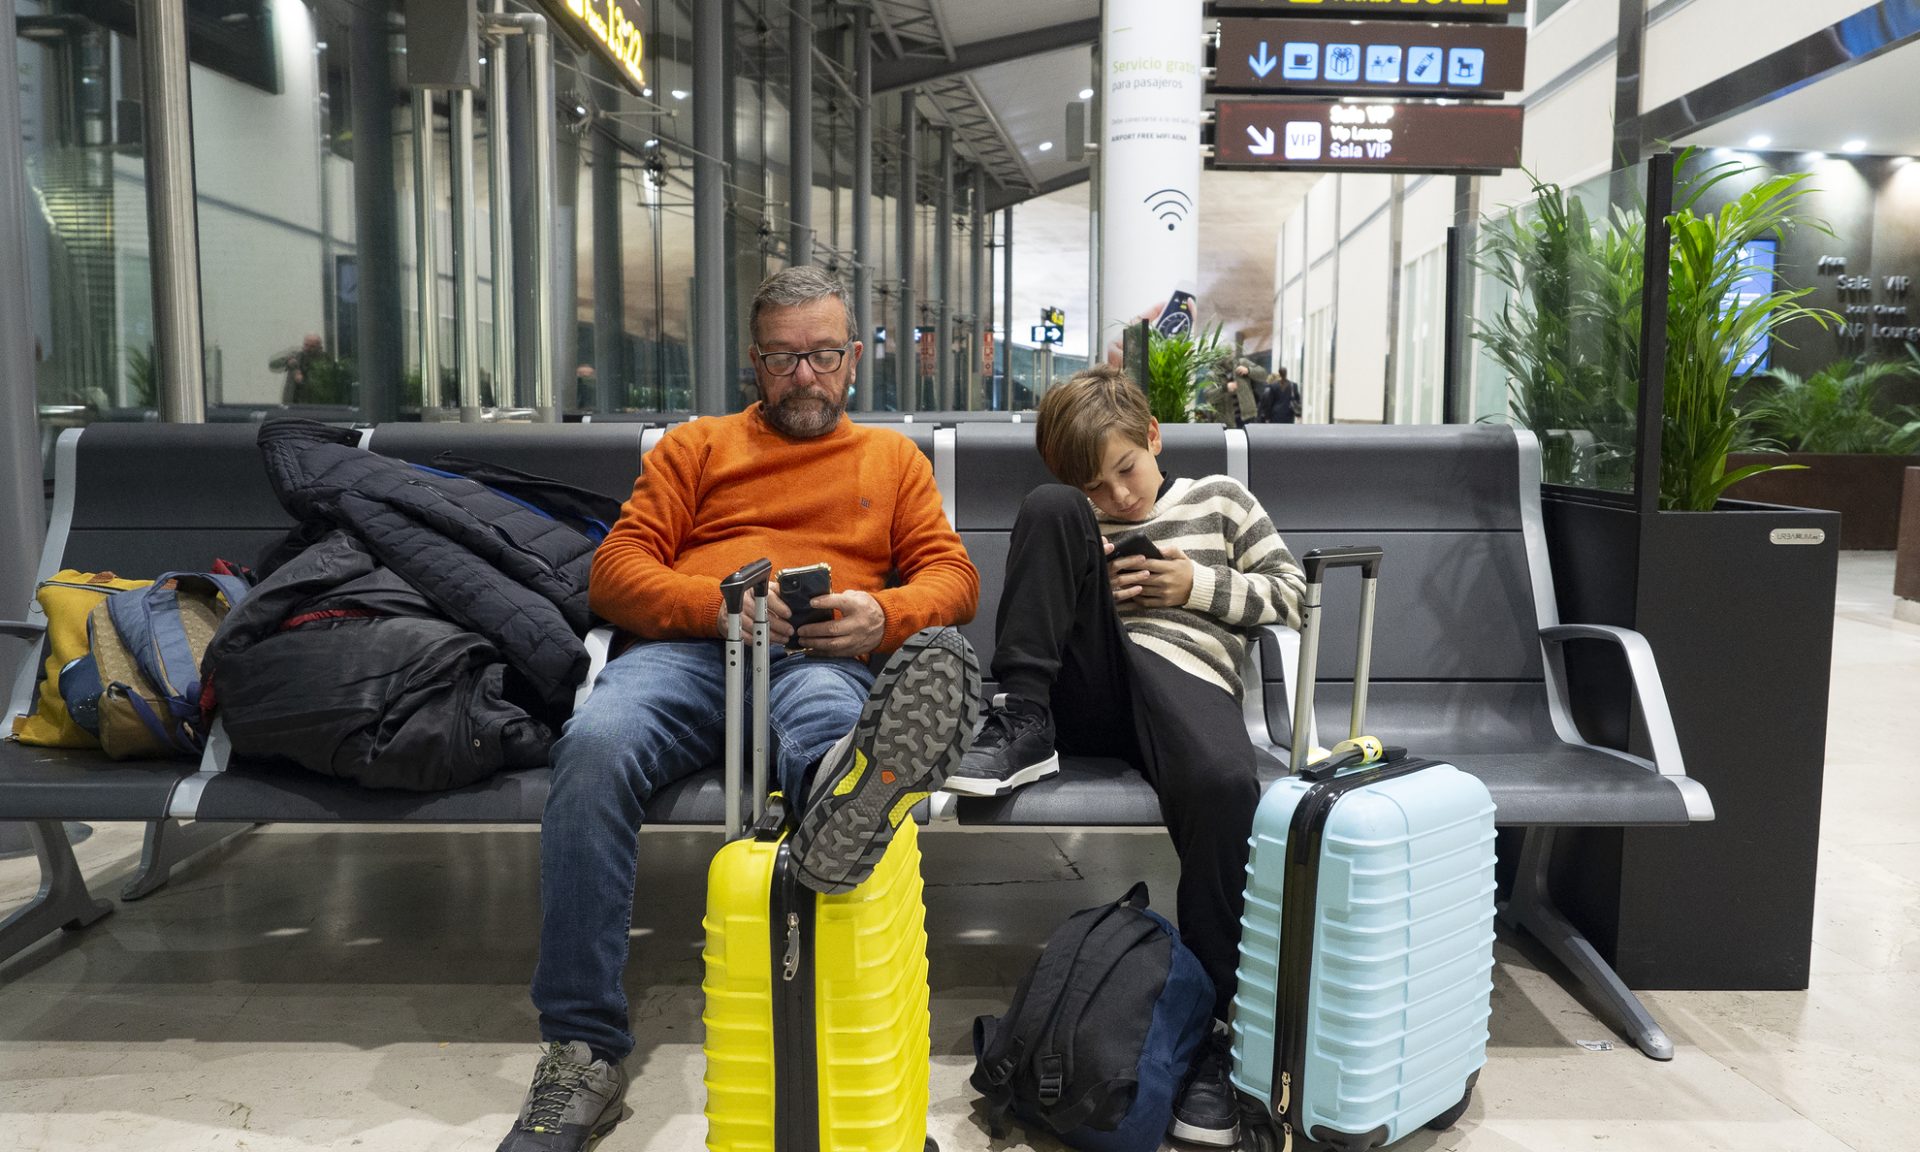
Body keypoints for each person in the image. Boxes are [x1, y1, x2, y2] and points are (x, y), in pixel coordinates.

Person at [496, 266, 981, 1152]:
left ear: (854, 358)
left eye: (823, 355)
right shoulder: (696, 448)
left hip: (818, 658)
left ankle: (851, 1031)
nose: (805, 375)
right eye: (784, 358)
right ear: (755, 362)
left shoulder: (892, 461)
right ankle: (581, 1050)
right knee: (594, 748)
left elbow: (953, 577)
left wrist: (883, 616)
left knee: (834, 762)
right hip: (690, 654)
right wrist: (719, 606)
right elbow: (615, 573)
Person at [944, 365, 1305, 1148]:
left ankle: (1213, 1025)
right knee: (1048, 511)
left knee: (1224, 784)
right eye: (1095, 485)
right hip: (1091, 690)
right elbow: (1066, 553)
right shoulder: (1075, 516)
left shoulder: (1220, 500)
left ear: (1153, 438)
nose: (1117, 497)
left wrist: (1193, 585)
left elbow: (1294, 595)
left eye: (1126, 471)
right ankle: (1022, 716)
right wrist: (1091, 589)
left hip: (1185, 684)